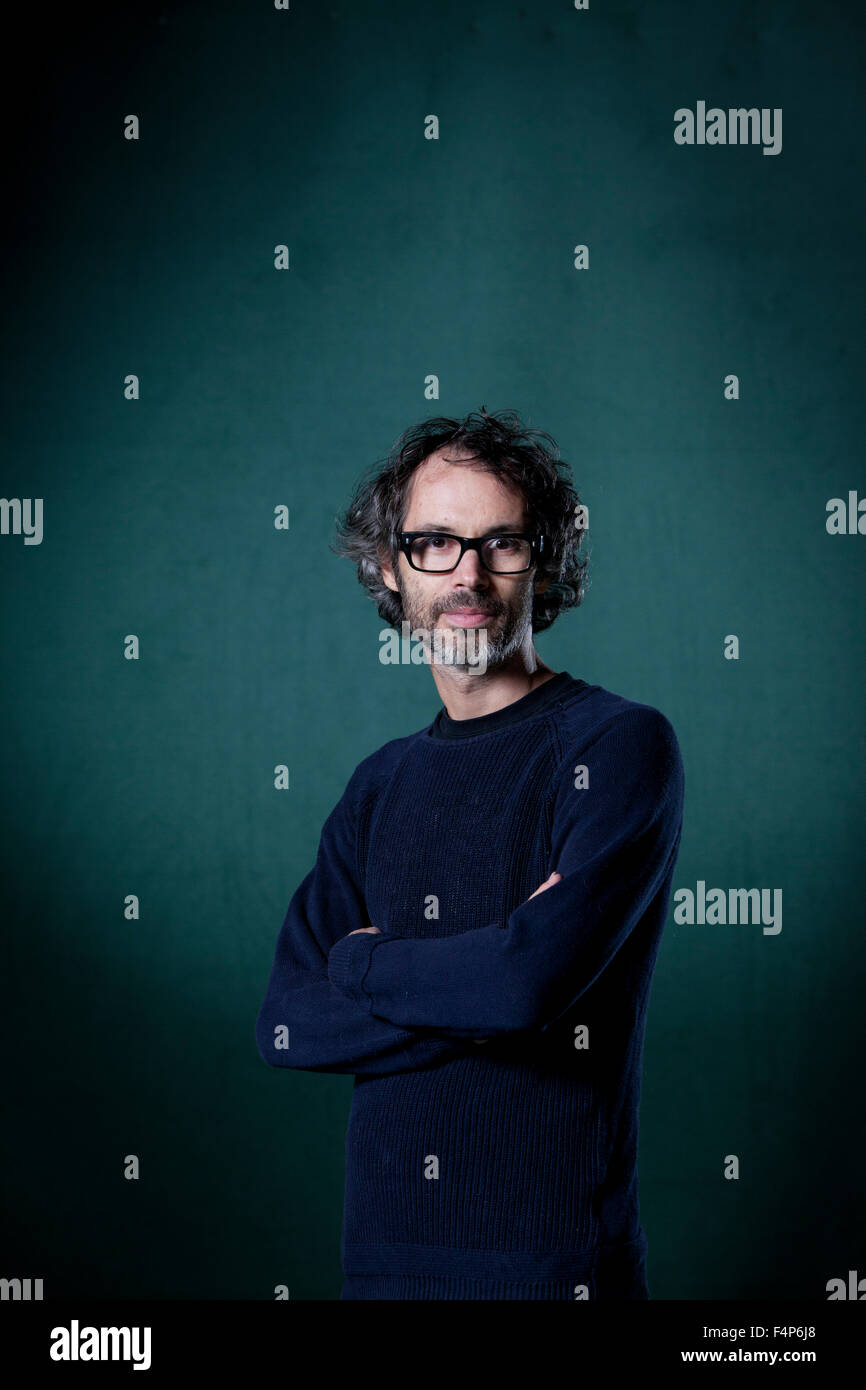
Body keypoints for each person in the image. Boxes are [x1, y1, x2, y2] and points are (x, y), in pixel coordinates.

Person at [255, 407, 685, 1299]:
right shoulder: (380, 783)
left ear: (545, 561)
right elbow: (288, 1022)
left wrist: (365, 962)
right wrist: (481, 982)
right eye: (435, 543)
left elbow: (524, 986)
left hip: (553, 1273)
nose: (469, 573)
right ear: (389, 565)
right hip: (381, 1270)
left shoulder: (618, 746)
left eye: (501, 543)